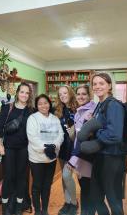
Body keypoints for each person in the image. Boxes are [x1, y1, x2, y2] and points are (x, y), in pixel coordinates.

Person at [0, 82, 34, 215]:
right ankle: (5, 208)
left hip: (24, 149)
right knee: (8, 177)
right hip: (9, 149)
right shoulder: (7, 108)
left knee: (21, 178)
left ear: (29, 95)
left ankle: (18, 207)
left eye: (27, 93)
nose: (24, 95)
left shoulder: (31, 111)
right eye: (22, 92)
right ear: (17, 93)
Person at [90, 73, 125, 215]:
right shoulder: (100, 105)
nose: (97, 86)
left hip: (113, 158)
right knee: (96, 197)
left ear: (109, 86)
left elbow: (114, 135)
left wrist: (96, 132)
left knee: (113, 199)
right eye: (95, 84)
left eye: (101, 83)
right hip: (100, 157)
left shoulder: (114, 105)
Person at [26, 94, 64, 215]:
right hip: (36, 158)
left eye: (45, 102)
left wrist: (54, 146)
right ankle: (37, 210)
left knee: (47, 185)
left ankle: (45, 210)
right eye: (40, 103)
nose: (43, 105)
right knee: (37, 185)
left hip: (51, 158)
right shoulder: (33, 118)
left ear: (49, 104)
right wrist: (45, 148)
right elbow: (32, 137)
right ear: (37, 106)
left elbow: (61, 135)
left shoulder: (54, 118)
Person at [67, 85, 96, 215]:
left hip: (86, 158)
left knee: (88, 191)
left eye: (84, 94)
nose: (80, 96)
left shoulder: (91, 111)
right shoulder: (79, 112)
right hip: (80, 157)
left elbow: (83, 139)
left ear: (89, 95)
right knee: (84, 189)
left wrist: (73, 161)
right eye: (78, 94)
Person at [54, 85, 78, 215]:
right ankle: (67, 202)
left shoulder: (78, 108)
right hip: (62, 148)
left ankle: (74, 203)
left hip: (74, 148)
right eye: (60, 94)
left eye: (65, 93)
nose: (63, 95)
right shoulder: (58, 110)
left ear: (70, 93)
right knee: (65, 178)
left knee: (66, 175)